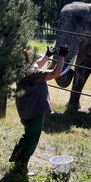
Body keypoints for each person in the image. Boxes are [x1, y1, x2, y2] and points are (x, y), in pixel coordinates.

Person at [9, 44, 69, 172]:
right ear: (26, 57)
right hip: (34, 110)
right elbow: (56, 73)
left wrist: (47, 55)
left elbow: (37, 64)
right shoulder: (32, 73)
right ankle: (21, 167)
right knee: (32, 138)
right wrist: (62, 56)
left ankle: (15, 156)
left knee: (28, 135)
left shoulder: (22, 69)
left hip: (25, 108)